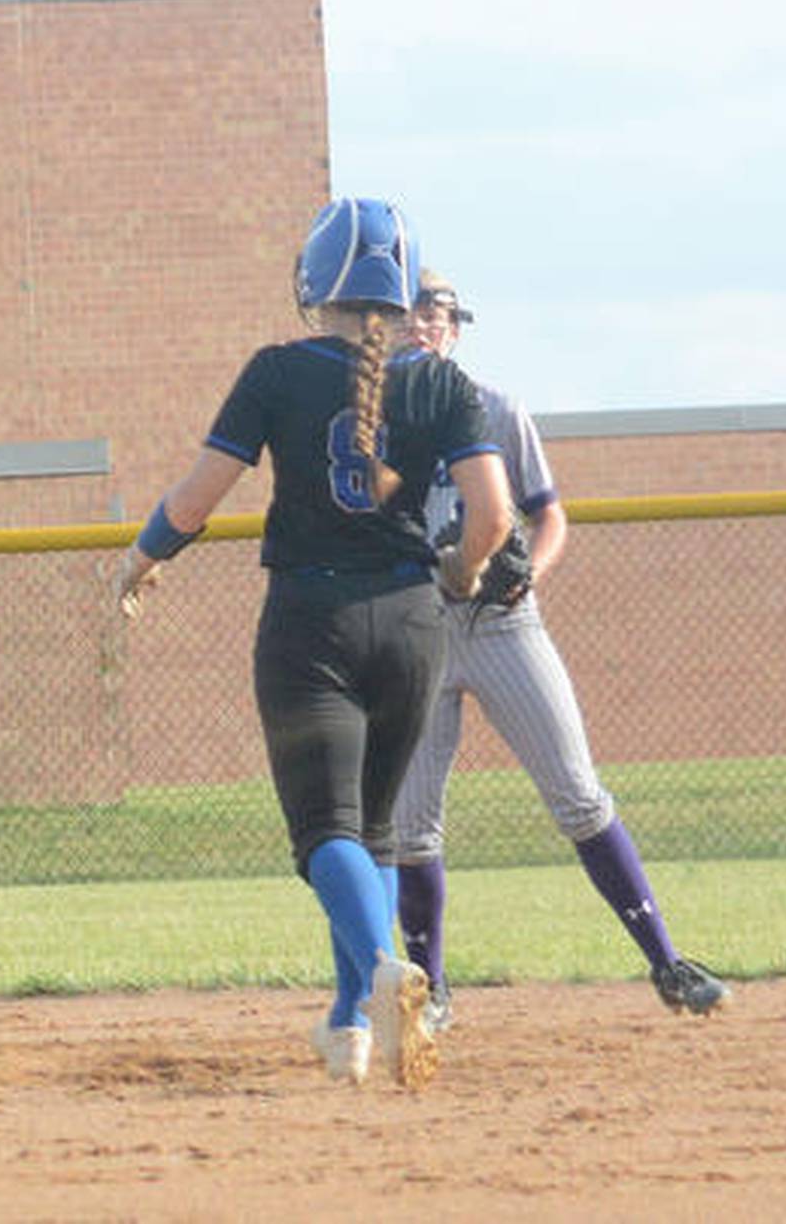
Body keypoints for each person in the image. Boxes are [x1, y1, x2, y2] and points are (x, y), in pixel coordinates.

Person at [114, 199, 515, 1089]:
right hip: (413, 624)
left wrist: (143, 559)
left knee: (323, 834)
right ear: (403, 290)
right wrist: (459, 571)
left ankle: (382, 970)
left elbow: (195, 499)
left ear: (314, 283)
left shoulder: (277, 372)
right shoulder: (442, 381)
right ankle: (347, 1028)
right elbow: (491, 517)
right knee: (371, 828)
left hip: (311, 619)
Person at [381, 269, 729, 1032]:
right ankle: (431, 990)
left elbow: (550, 517)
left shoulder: (497, 408)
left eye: (435, 311)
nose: (421, 323)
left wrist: (526, 573)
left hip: (505, 624)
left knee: (578, 795)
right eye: (408, 311)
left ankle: (666, 961)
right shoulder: (376, 420)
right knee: (412, 827)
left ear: (456, 328)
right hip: (421, 626)